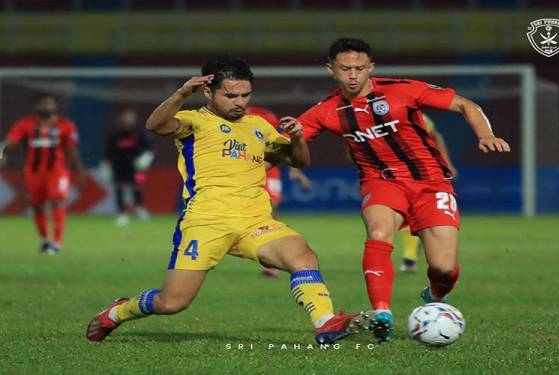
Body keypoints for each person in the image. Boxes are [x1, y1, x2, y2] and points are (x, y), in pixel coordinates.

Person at [86, 56, 372, 344]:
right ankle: (118, 312)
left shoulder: (258, 126)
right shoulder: (194, 121)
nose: (239, 102)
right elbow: (155, 124)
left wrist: (297, 139)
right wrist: (183, 92)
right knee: (172, 303)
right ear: (209, 92)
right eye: (231, 95)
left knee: (303, 256)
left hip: (254, 221)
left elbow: (298, 161)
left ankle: (325, 322)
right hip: (207, 222)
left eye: (245, 95)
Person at [297, 38, 510, 342]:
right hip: (381, 181)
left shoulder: (403, 89)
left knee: (444, 268)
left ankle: (435, 293)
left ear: (371, 67)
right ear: (331, 69)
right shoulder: (327, 110)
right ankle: (382, 312)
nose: (353, 75)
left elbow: (465, 104)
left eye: (359, 68)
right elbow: (285, 144)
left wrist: (485, 134)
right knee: (380, 232)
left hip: (430, 182)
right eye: (345, 69)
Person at [0, 93, 85, 255]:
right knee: (37, 206)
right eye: (43, 104)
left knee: (57, 200)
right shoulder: (25, 124)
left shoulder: (66, 125)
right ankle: (46, 239)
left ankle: (57, 243)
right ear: (37, 107)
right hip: (34, 172)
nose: (46, 107)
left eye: (49, 104)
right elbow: (11, 142)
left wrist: (80, 170)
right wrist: (2, 153)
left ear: (55, 107)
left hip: (57, 171)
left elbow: (72, 150)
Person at [246, 106, 313, 278]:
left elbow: (281, 146)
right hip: (246, 169)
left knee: (271, 210)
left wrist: (296, 172)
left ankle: (278, 252)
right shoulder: (229, 118)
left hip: (270, 171)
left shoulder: (266, 116)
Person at [399, 113, 458, 273]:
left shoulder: (420, 118)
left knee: (418, 216)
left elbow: (436, 137)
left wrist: (447, 163)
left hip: (424, 173)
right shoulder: (378, 116)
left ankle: (411, 256)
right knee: (407, 215)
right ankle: (410, 256)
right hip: (397, 174)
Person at [104, 108, 153, 226]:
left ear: (134, 120)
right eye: (125, 118)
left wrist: (146, 157)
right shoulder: (114, 134)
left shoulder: (138, 132)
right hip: (119, 164)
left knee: (136, 187)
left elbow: (148, 147)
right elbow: (108, 151)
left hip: (135, 165)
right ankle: (122, 213)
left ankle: (140, 208)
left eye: (130, 118)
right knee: (119, 187)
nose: (127, 121)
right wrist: (105, 164)